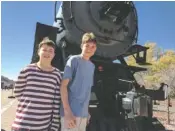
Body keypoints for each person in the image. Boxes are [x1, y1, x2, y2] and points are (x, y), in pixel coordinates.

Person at [11, 37, 62, 131]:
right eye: (44, 50)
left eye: (50, 51)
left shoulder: (57, 74)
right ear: (39, 52)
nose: (47, 53)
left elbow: (56, 102)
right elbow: (18, 92)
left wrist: (54, 126)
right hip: (22, 124)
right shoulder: (27, 70)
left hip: (43, 126)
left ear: (54, 54)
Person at [60, 32, 97, 131]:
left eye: (93, 46)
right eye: (87, 45)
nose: (90, 48)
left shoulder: (92, 66)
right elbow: (63, 86)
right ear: (81, 46)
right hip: (71, 113)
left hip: (83, 114)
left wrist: (87, 111)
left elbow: (86, 90)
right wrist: (67, 112)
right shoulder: (73, 60)